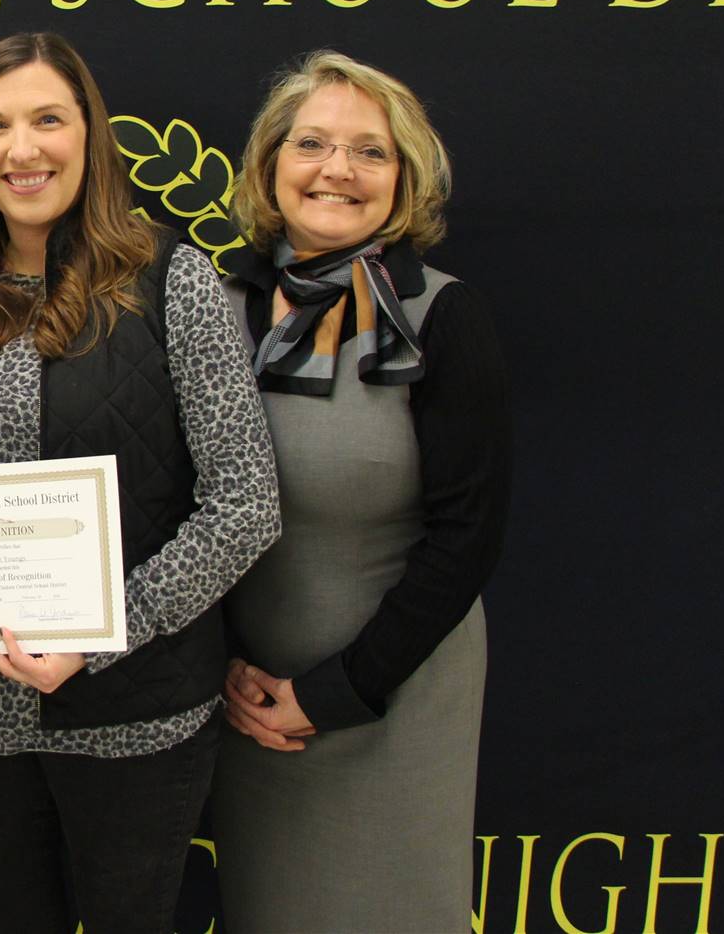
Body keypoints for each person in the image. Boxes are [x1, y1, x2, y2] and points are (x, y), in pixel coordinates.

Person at [0, 32, 280, 933]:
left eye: (47, 119)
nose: (21, 150)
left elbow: (245, 504)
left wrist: (102, 637)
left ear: (90, 134)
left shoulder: (172, 281)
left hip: (133, 719)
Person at [209, 50, 513, 931]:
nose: (337, 169)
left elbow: (469, 538)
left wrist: (336, 692)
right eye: (312, 143)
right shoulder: (211, 308)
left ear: (405, 179)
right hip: (245, 705)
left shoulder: (444, 318)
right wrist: (223, 665)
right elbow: (173, 505)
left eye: (369, 152)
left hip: (397, 704)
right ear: (272, 166)